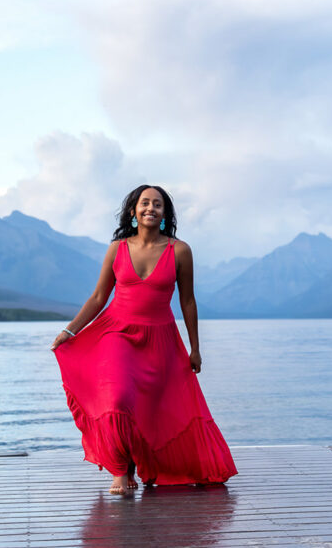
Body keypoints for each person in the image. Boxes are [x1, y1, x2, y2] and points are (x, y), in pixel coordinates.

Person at [50, 185, 238, 494]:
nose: (151, 208)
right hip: (117, 332)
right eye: (145, 203)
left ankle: (138, 467)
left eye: (158, 204)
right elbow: (99, 297)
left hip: (161, 337)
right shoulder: (117, 248)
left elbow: (188, 302)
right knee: (118, 398)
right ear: (133, 211)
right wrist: (70, 331)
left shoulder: (180, 251)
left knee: (151, 410)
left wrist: (195, 349)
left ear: (165, 214)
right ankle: (120, 472)